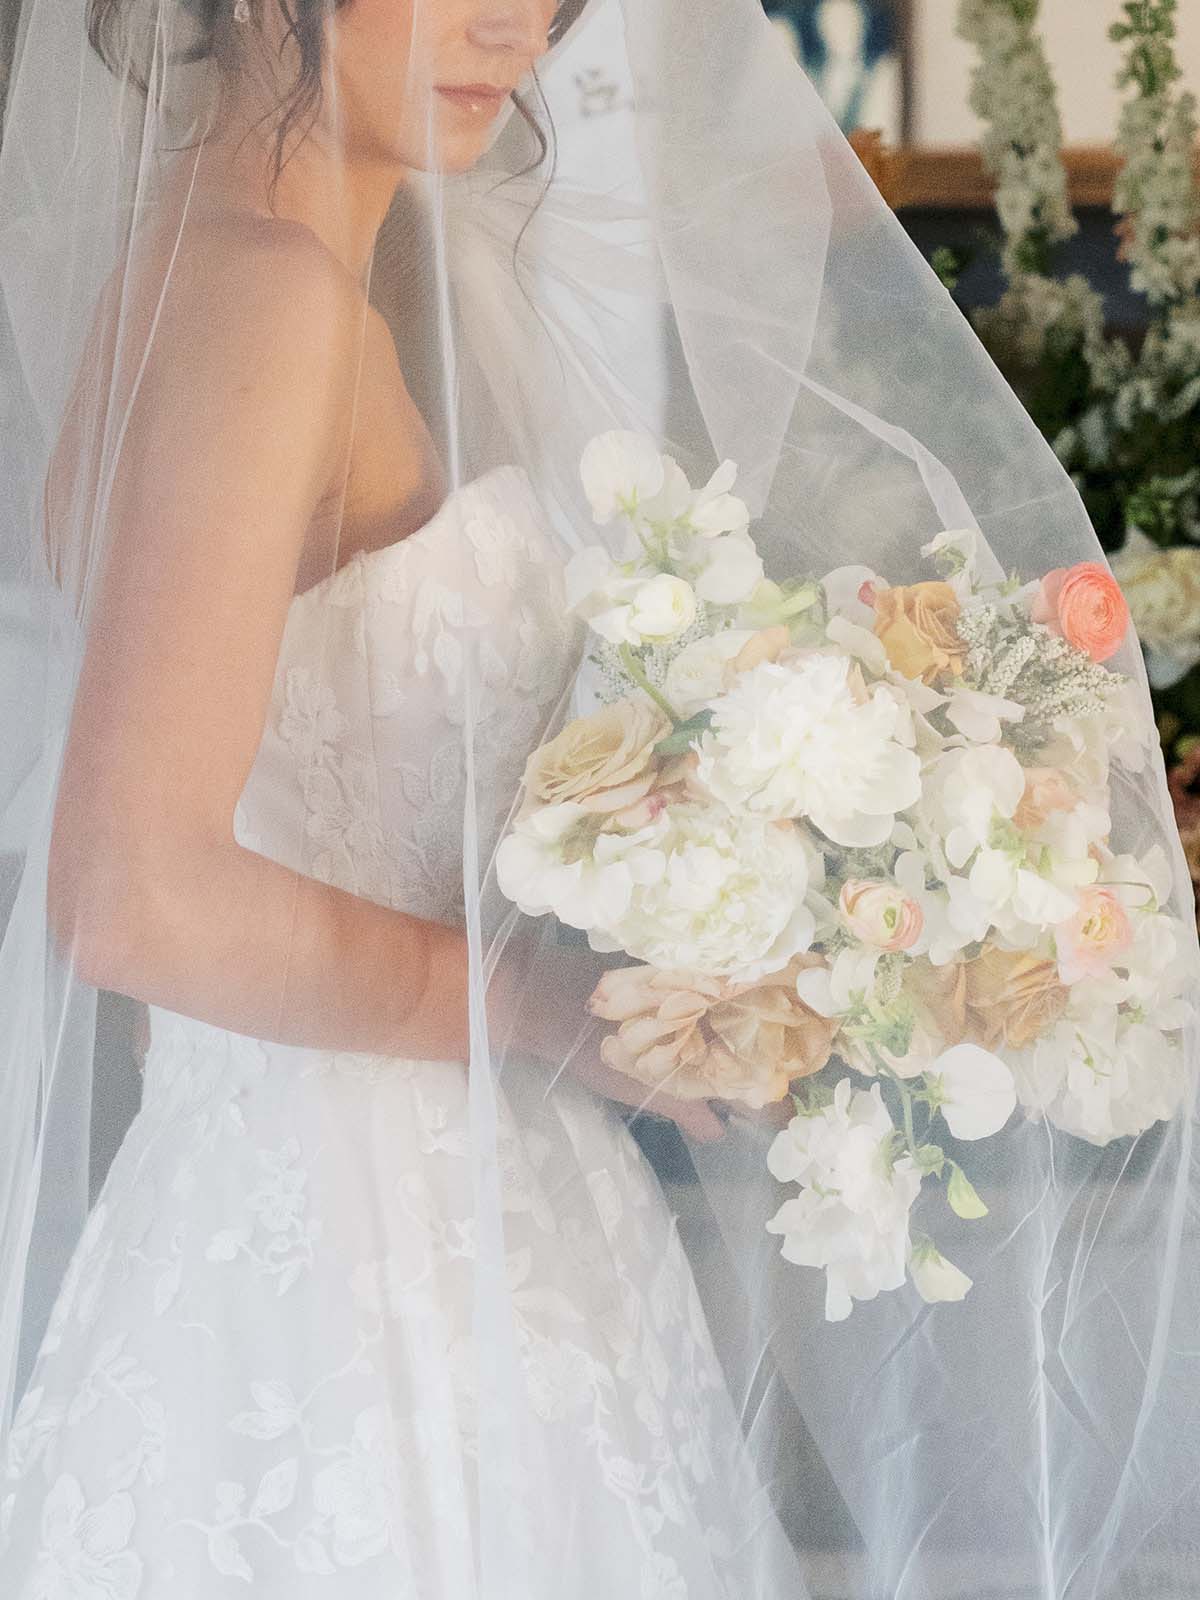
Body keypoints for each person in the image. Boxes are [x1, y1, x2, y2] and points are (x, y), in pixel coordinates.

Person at [0, 1, 1197, 1596]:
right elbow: (132, 891)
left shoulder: (243, 273)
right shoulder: (266, 298)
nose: (520, 19)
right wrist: (548, 1005)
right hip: (374, 1262)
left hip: (395, 1196)